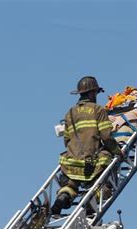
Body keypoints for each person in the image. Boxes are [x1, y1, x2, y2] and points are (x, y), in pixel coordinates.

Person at [52, 76, 121, 215]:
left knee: (69, 186)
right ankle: (90, 201)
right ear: (91, 93)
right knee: (106, 185)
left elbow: (66, 139)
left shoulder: (70, 113)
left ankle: (63, 197)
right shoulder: (98, 110)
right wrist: (118, 151)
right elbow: (106, 137)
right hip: (93, 164)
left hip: (71, 163)